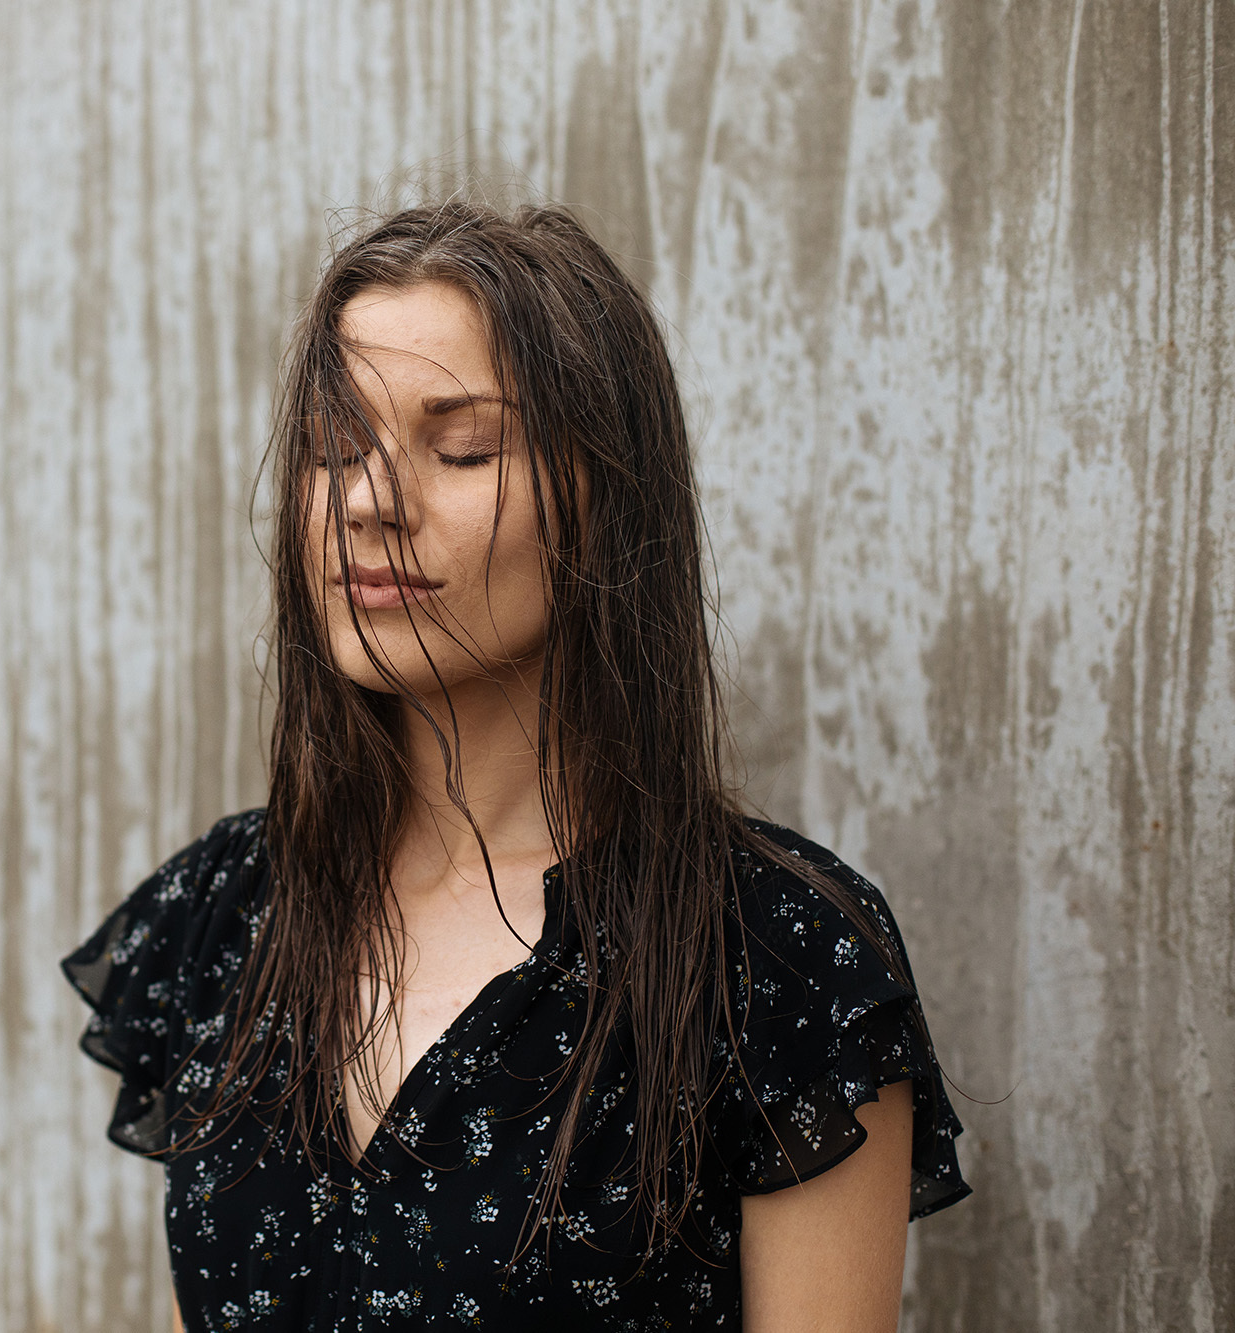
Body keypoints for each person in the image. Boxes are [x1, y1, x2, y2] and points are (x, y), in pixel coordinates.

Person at [63, 202, 969, 1331]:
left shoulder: (771, 959)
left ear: (603, 499)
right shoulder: (226, 912)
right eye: (332, 449)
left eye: (462, 450)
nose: (365, 501)